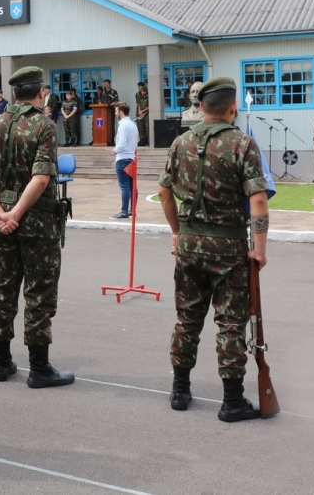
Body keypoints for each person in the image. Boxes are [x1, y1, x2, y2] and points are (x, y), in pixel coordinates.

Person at [157, 76, 269, 422]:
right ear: (232, 107)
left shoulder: (179, 143)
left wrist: (178, 232)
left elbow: (163, 192)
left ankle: (179, 390)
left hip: (190, 244)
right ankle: (232, 401)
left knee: (187, 319)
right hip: (228, 246)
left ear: (202, 107)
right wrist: (260, 249)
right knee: (230, 323)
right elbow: (259, 199)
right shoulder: (242, 143)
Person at [0, 66, 74, 389]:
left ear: (14, 93)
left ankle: (2, 363)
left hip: (0, 222)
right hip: (37, 224)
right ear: (41, 91)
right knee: (39, 293)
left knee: (3, 290)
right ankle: (39, 368)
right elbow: (41, 178)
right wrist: (15, 213)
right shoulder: (43, 125)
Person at [112, 104, 138, 219]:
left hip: (122, 158)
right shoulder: (133, 124)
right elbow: (136, 141)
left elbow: (121, 144)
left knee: (124, 186)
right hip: (131, 157)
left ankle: (124, 211)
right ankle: (132, 210)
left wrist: (114, 150)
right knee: (132, 185)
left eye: (116, 111)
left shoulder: (123, 126)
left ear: (121, 112)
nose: (115, 113)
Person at [135, 82, 150, 146]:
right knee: (140, 127)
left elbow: (150, 106)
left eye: (143, 91)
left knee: (147, 128)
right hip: (140, 114)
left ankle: (147, 140)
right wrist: (140, 111)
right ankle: (142, 140)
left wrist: (143, 111)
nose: (142, 92)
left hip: (146, 114)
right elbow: (138, 104)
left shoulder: (149, 97)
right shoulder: (138, 95)